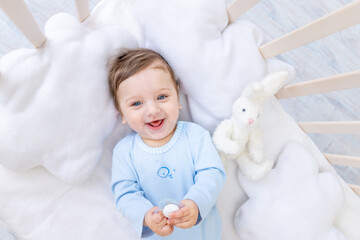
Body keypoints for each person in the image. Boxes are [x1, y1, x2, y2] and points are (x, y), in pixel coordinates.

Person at [108, 48, 226, 239]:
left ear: (177, 96)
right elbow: (125, 195)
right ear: (122, 114)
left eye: (162, 97)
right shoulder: (124, 152)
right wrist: (146, 216)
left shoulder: (195, 136)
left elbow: (212, 174)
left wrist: (196, 203)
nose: (153, 110)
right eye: (137, 103)